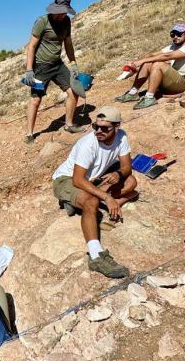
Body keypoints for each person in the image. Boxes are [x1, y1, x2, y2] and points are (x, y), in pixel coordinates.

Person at [51, 106, 137, 278]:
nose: (99, 131)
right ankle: (96, 256)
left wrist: (117, 173)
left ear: (117, 126)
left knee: (131, 182)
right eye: (95, 126)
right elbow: (77, 180)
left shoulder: (121, 137)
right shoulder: (88, 144)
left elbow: (127, 167)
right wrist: (107, 196)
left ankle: (77, 204)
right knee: (91, 201)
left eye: (105, 128)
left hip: (92, 179)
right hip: (66, 180)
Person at [23, 0, 84, 144]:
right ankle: (29, 134)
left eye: (65, 12)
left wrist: (73, 63)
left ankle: (68, 125)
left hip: (58, 64)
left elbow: (68, 43)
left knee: (73, 92)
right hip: (41, 67)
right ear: (54, 9)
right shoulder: (42, 21)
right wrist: (29, 69)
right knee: (36, 100)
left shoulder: (66, 22)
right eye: (60, 12)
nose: (62, 15)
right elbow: (31, 46)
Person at [115, 23, 185, 110]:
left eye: (179, 34)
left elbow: (167, 56)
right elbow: (151, 54)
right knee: (148, 63)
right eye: (173, 35)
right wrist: (134, 65)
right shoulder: (173, 46)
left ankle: (149, 98)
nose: (175, 37)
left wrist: (142, 61)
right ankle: (132, 93)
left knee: (158, 64)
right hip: (174, 82)